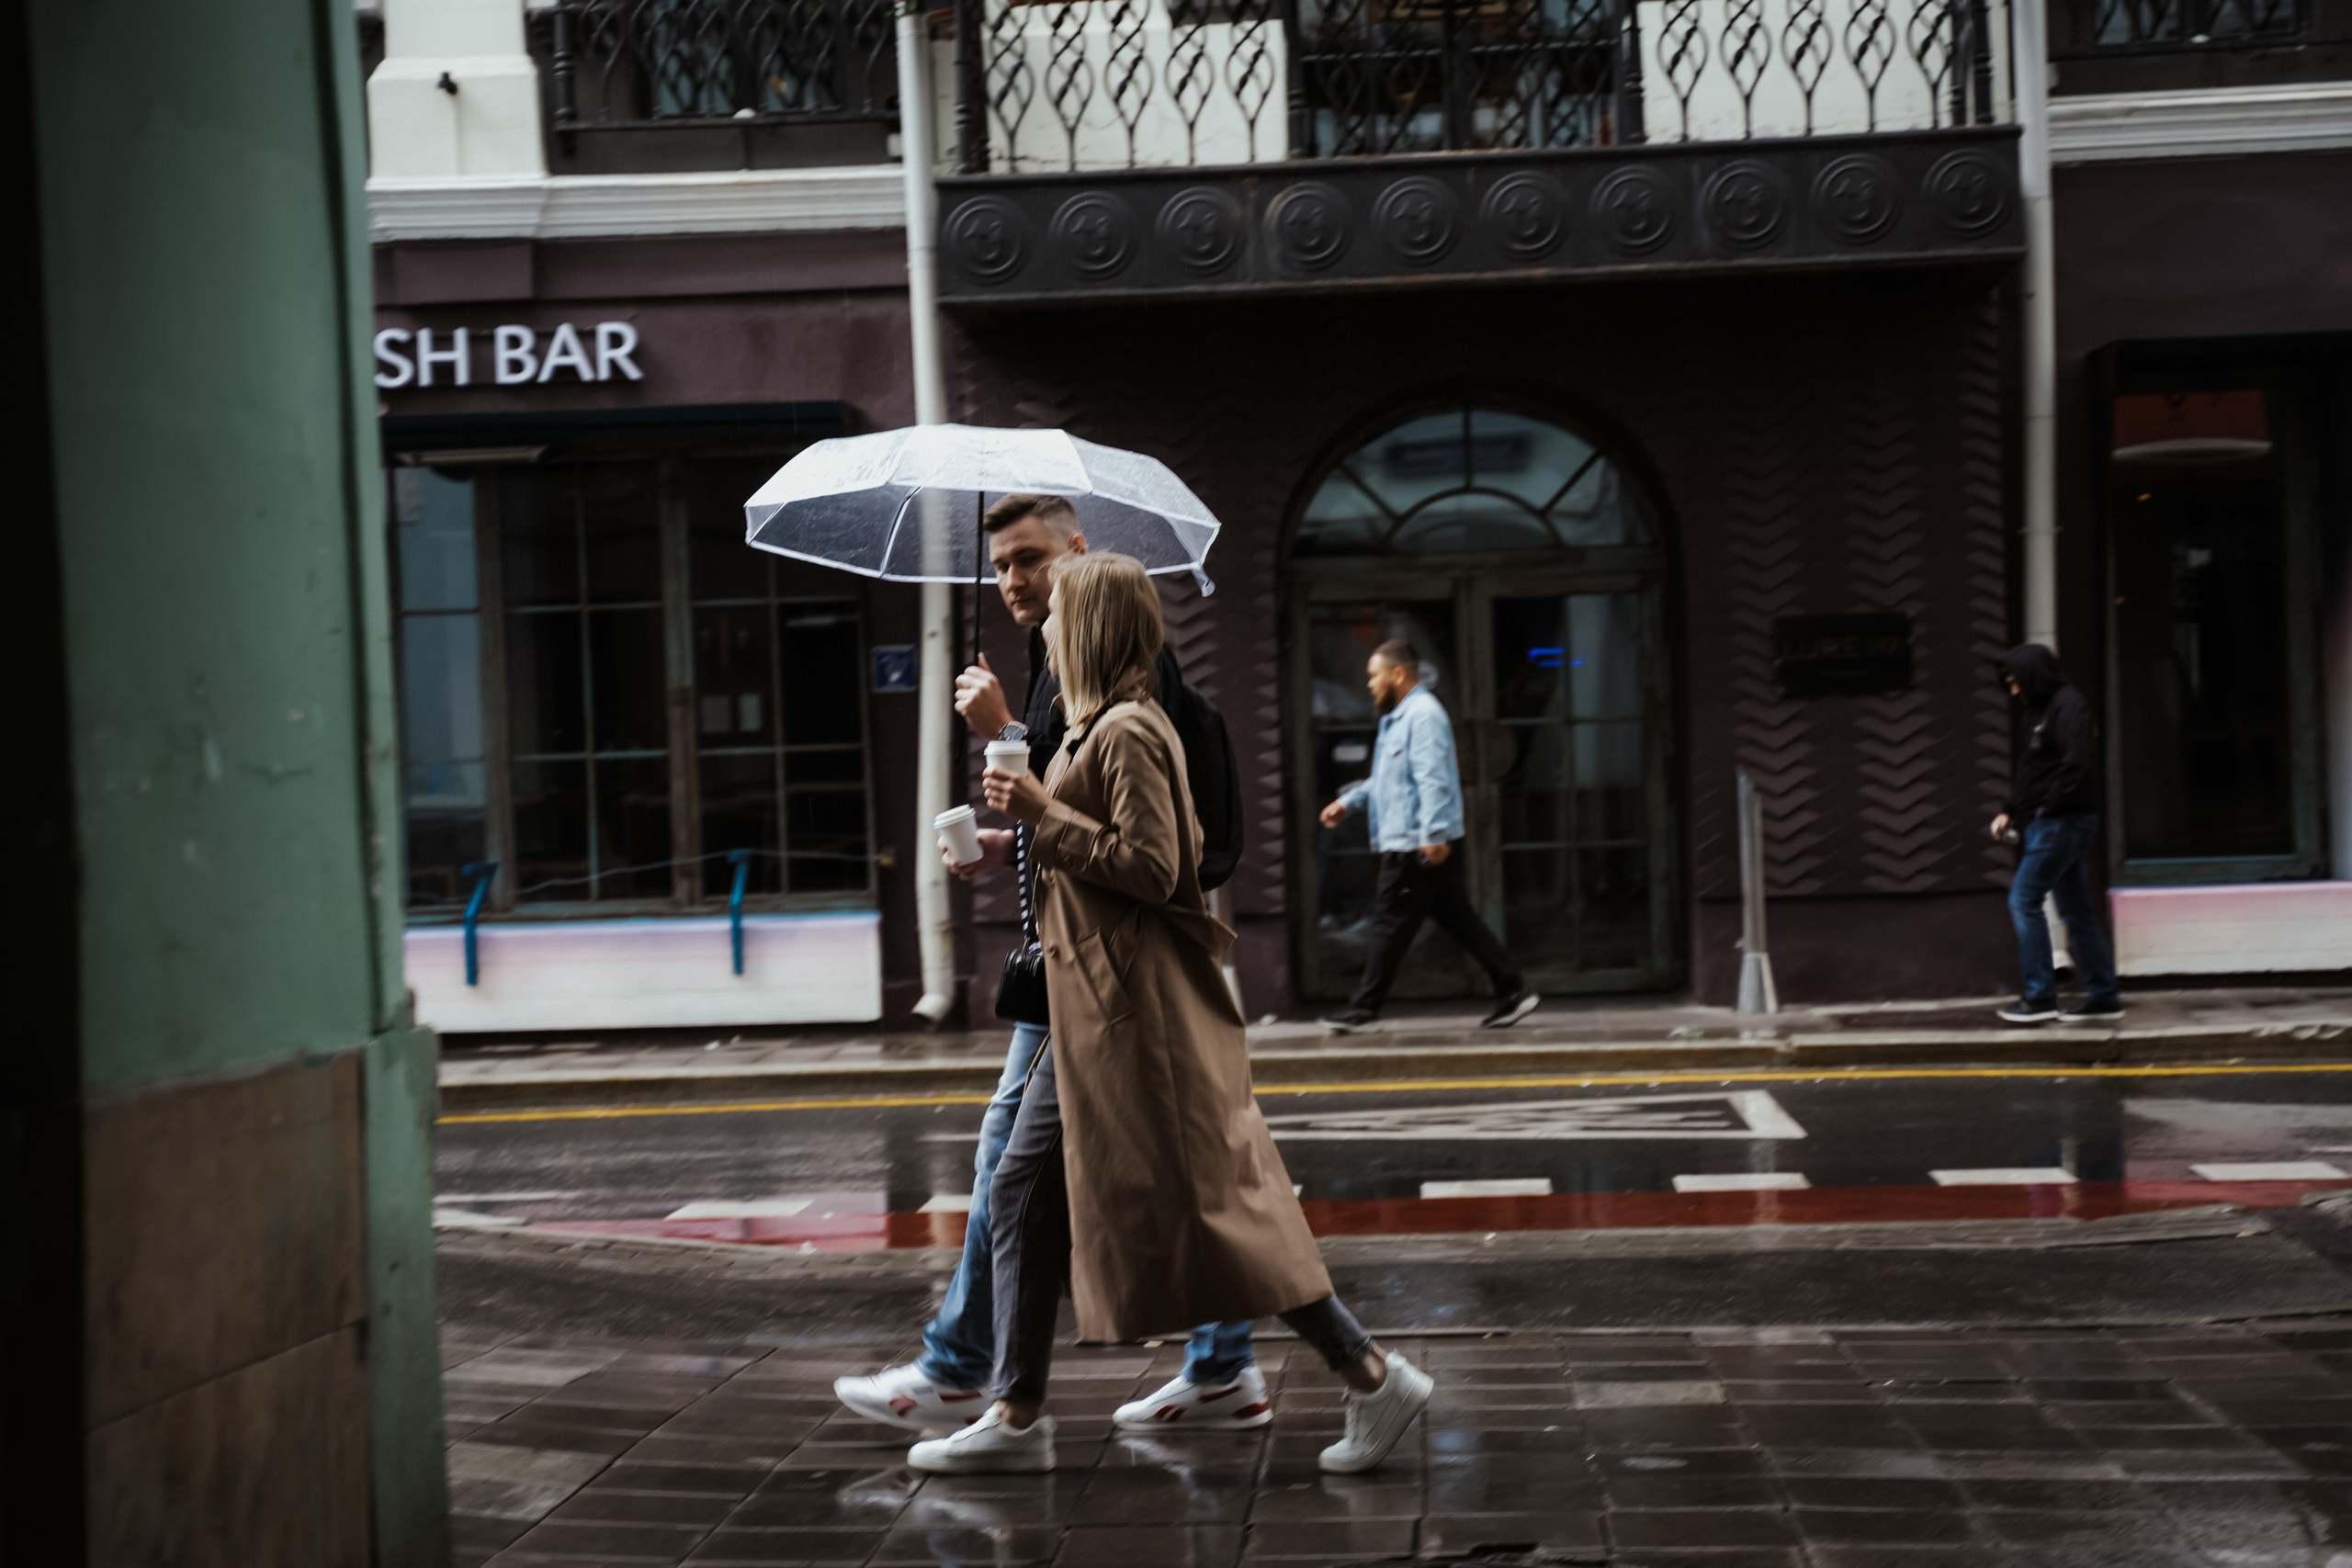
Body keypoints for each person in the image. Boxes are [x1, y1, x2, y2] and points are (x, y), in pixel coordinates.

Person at [907, 552, 1434, 1476]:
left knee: (1224, 1212)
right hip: (1091, 1007)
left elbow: (1158, 869)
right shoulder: (1091, 728)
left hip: (1135, 1013)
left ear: (1096, 627)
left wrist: (1035, 805)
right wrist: (1017, 812)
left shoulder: (1133, 730)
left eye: (1060, 616)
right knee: (1029, 1192)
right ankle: (1018, 1413)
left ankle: (1370, 1373)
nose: (1046, 633)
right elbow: (1079, 838)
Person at [832, 494, 1262, 1438]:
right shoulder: (1049, 655)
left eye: (1028, 560)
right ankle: (1226, 1363)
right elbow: (1072, 807)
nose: (1012, 581)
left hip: (1102, 963)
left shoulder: (1121, 660)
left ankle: (968, 1372)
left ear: (1077, 550)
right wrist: (999, 846)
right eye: (998, 566)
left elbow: (1144, 830)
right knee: (1172, 1170)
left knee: (1022, 1165)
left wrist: (998, 732)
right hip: (1073, 956)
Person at [1317, 639, 1539, 1033]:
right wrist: (1349, 803)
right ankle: (1512, 991)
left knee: (1387, 922)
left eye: (1374, 675)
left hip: (1414, 843)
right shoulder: (1399, 718)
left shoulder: (1424, 717)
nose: (1369, 683)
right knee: (1457, 916)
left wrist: (1433, 835)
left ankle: (1365, 1008)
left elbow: (1432, 779)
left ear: (1397, 674)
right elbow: (1386, 781)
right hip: (1412, 840)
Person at [1991, 644, 2121, 1025]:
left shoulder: (2069, 706)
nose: (2013, 691)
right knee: (2077, 911)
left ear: (2032, 675)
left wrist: (2048, 807)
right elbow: (2034, 770)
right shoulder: (2038, 709)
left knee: (2023, 899)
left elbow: (2076, 764)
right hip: (2052, 821)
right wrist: (2010, 809)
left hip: (2064, 821)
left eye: (2016, 682)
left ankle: (2040, 997)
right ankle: (2104, 995)